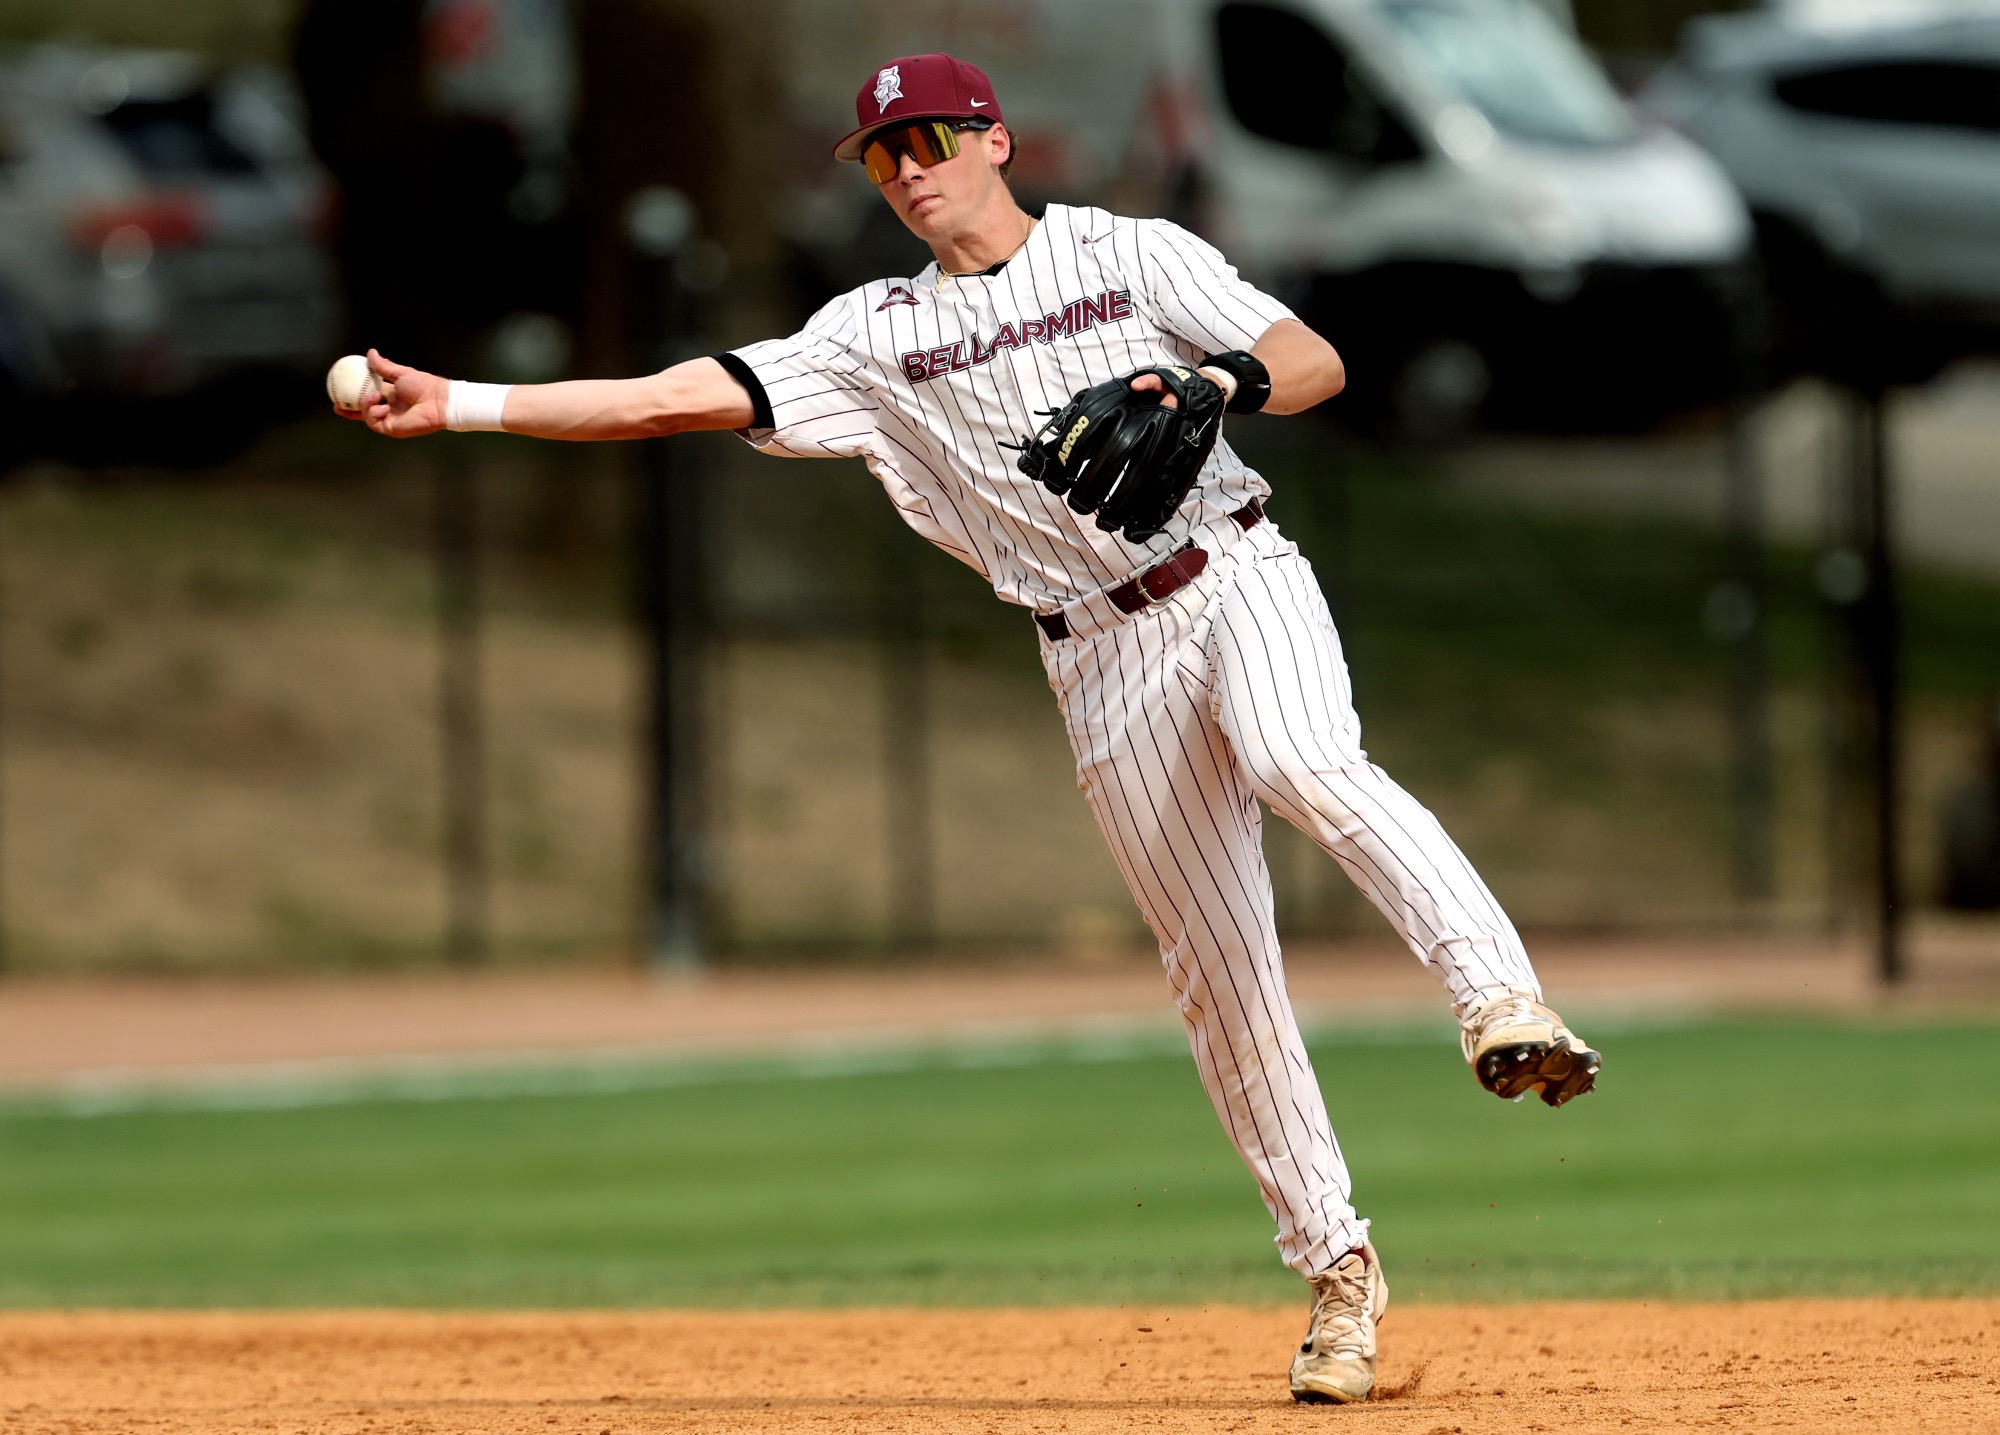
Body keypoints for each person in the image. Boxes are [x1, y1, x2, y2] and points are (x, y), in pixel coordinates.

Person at [345, 52, 1601, 1405]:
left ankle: (1497, 1000)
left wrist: (1218, 382)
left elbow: (1316, 360)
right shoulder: (873, 335)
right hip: (1097, 654)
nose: (908, 170)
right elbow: (672, 396)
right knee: (1215, 969)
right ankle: (1338, 1277)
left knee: (1306, 758)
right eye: (882, 155)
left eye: (930, 138)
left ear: (995, 138)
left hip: (1234, 571)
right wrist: (465, 404)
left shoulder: (1126, 252)